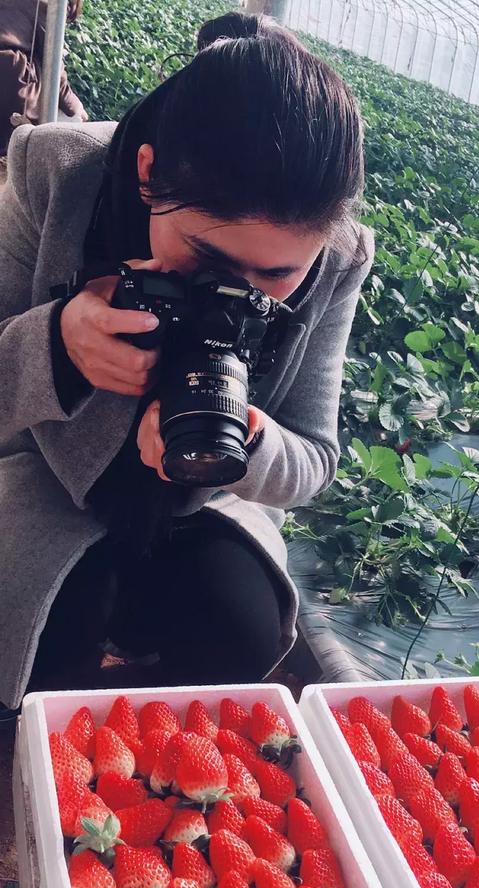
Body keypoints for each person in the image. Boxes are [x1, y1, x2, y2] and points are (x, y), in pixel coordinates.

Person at [0, 10, 374, 711]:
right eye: (209, 258)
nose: (236, 290)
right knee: (32, 642)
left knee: (241, 630)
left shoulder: (339, 259)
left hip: (205, 503)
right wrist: (55, 342)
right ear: (147, 175)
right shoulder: (56, 175)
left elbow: (315, 459)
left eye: (276, 276)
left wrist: (244, 436)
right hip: (46, 477)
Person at [0, 0, 87, 156]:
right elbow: (53, 67)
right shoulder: (48, 5)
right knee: (42, 66)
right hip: (12, 78)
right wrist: (76, 108)